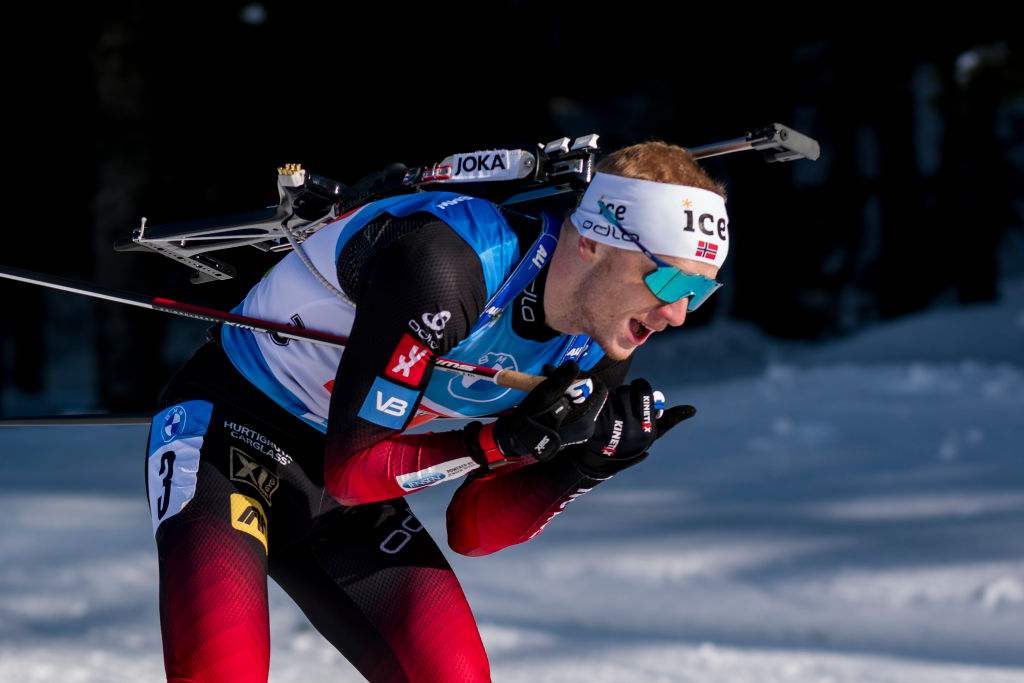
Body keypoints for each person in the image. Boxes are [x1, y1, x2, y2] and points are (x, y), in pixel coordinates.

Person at [144, 139, 729, 682]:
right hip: (234, 431)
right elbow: (352, 470)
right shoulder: (452, 265)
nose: (678, 313)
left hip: (357, 488)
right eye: (671, 278)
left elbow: (472, 529)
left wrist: (577, 467)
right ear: (593, 241)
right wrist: (497, 443)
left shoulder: (599, 348)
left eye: (699, 292)